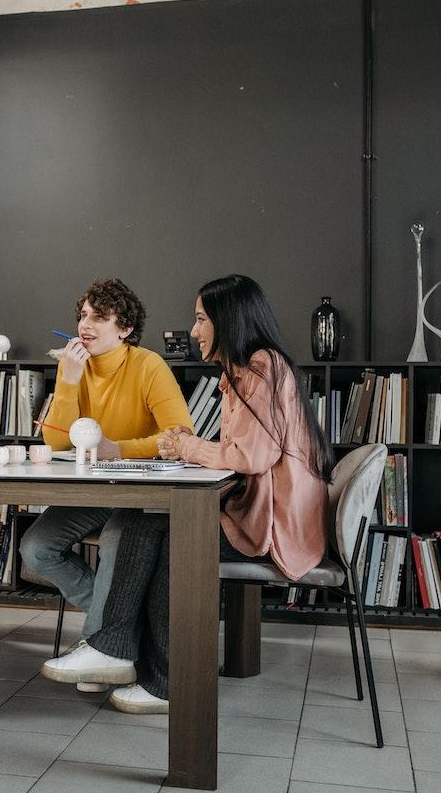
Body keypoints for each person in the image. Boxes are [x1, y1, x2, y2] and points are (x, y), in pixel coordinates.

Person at [40, 274, 333, 713]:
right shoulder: (242, 371)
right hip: (255, 511)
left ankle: (139, 664)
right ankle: (131, 658)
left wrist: (186, 447)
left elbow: (249, 455)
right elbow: (54, 441)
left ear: (226, 319)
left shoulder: (261, 368)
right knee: (148, 523)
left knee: (162, 533)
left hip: (274, 526)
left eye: (200, 319)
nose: (194, 331)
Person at [20, 278, 192, 690]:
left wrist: (119, 449)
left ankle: (103, 649)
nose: (86, 324)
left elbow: (179, 435)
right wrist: (68, 379)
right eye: (83, 315)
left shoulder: (148, 365)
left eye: (99, 317)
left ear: (125, 328)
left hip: (141, 491)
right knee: (36, 548)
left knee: (117, 541)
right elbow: (56, 440)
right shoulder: (72, 367)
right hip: (94, 491)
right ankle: (116, 636)